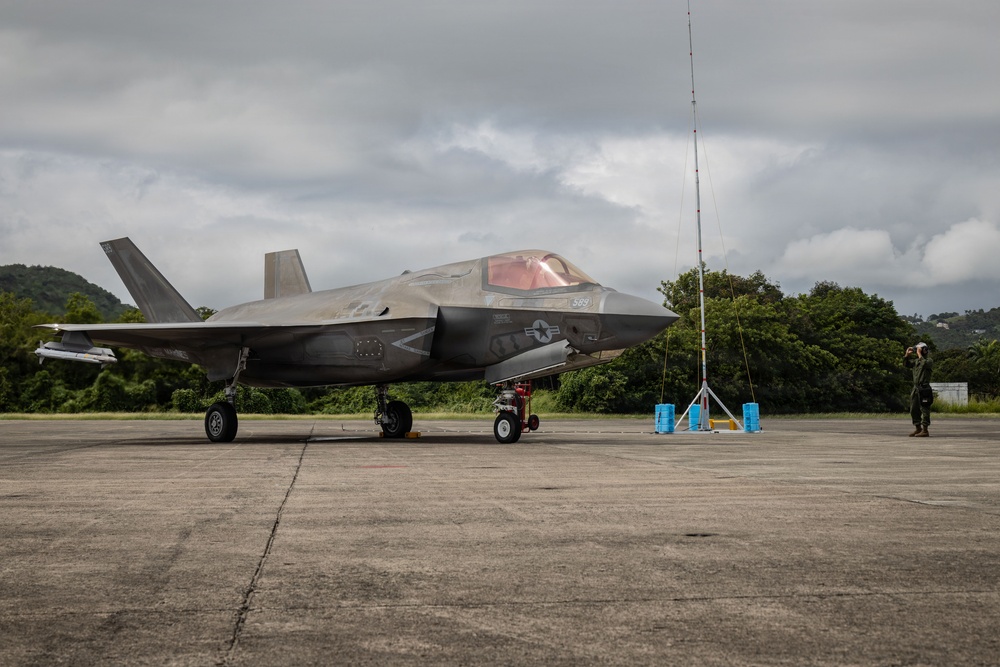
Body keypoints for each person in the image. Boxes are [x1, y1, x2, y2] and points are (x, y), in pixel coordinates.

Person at [903, 342, 933, 437]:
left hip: (924, 388)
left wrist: (920, 354)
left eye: (919, 349)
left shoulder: (929, 360)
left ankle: (925, 430)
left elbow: (924, 364)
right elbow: (906, 364)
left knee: (924, 409)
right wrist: (907, 355)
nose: (917, 351)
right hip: (916, 388)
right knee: (913, 409)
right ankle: (918, 428)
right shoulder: (916, 362)